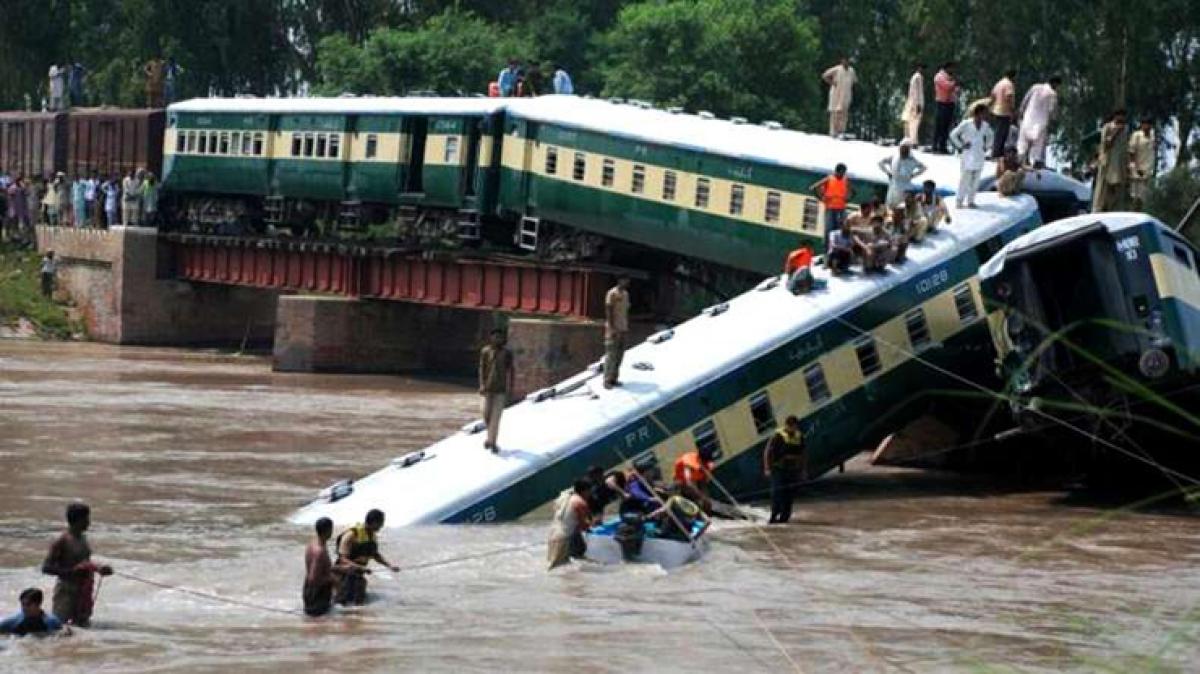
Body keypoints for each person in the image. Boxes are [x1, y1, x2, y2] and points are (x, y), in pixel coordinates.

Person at [41, 502, 113, 627]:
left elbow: (86, 563)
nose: (88, 522)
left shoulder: (83, 539)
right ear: (77, 520)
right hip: (66, 592)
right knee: (59, 628)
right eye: (86, 519)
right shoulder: (62, 541)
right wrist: (71, 572)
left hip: (83, 591)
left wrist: (100, 568)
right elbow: (46, 568)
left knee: (83, 626)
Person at [334, 509, 399, 606]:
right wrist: (360, 567)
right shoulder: (351, 535)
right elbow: (343, 559)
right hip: (343, 575)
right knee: (342, 603)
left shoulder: (372, 536)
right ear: (374, 522)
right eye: (381, 523)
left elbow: (375, 555)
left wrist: (390, 566)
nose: (382, 526)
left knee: (358, 604)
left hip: (358, 575)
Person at [304, 517, 353, 617]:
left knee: (317, 621)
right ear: (328, 530)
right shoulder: (320, 551)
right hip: (317, 594)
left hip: (310, 591)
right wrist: (333, 580)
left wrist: (341, 568)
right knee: (319, 624)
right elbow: (314, 579)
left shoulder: (312, 544)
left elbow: (323, 568)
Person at [949, 103, 994, 209]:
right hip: (967, 153)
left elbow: (991, 136)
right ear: (978, 113)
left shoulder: (985, 125)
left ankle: (971, 201)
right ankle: (959, 200)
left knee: (976, 179)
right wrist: (961, 145)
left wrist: (986, 146)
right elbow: (953, 134)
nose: (985, 116)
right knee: (965, 178)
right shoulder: (966, 124)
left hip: (979, 154)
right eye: (983, 113)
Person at [763, 416, 807, 524]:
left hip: (792, 469)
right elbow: (767, 452)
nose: (794, 429)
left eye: (796, 427)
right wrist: (767, 468)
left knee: (789, 494)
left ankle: (784, 518)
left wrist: (803, 470)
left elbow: (803, 454)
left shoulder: (799, 437)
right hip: (778, 469)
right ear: (787, 425)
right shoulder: (777, 436)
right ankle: (773, 516)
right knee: (777, 493)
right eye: (792, 427)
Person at [478, 328, 514, 453]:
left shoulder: (507, 353)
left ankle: (493, 443)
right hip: (488, 389)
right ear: (491, 338)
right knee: (486, 415)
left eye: (500, 337)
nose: (497, 339)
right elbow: (482, 369)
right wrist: (482, 385)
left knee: (496, 417)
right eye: (495, 337)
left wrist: (510, 389)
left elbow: (511, 371)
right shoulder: (485, 351)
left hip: (501, 390)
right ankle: (489, 438)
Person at [547, 479, 592, 570]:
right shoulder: (580, 503)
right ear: (585, 490)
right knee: (559, 567)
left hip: (553, 534)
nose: (590, 493)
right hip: (565, 538)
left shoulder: (565, 498)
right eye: (589, 490)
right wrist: (591, 524)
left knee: (557, 567)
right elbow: (583, 525)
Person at [1017, 76, 1061, 168]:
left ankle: (1020, 161)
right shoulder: (1052, 94)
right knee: (1037, 147)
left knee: (1022, 144)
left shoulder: (1035, 87)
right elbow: (1052, 111)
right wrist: (1054, 119)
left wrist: (1021, 112)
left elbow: (1025, 100)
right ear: (1055, 84)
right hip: (1040, 124)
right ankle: (1033, 164)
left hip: (1028, 119)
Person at [1092, 109, 1130, 213]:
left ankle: (1113, 209)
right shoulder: (1108, 127)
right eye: (1120, 116)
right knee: (1102, 188)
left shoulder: (1126, 130)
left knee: (1117, 190)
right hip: (1107, 163)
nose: (1121, 119)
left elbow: (1125, 148)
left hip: (1119, 164)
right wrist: (1116, 132)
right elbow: (1106, 144)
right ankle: (1097, 209)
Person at [878, 140, 927, 210]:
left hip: (905, 186)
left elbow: (924, 167)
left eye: (905, 148)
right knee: (890, 206)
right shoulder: (894, 157)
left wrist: (913, 175)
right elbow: (880, 163)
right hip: (894, 184)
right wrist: (888, 172)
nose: (903, 150)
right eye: (902, 148)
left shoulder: (912, 160)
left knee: (902, 207)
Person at [0, 588, 66, 636]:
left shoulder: (51, 621)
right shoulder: (14, 621)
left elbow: (64, 635)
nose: (24, 608)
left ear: (38, 604)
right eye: (23, 604)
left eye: (28, 605)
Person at [603, 276, 631, 389]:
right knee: (611, 355)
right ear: (619, 280)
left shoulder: (626, 294)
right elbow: (608, 310)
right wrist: (612, 328)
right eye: (624, 280)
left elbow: (626, 311)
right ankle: (607, 379)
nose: (626, 282)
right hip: (613, 329)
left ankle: (614, 378)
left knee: (619, 355)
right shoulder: (612, 293)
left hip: (623, 328)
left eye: (628, 281)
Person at [811, 163, 851, 240]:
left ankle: (840, 244)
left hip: (841, 208)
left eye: (844, 173)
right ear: (837, 171)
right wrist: (821, 199)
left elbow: (853, 191)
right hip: (830, 208)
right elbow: (814, 187)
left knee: (842, 227)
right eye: (842, 172)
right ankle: (827, 246)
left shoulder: (845, 180)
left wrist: (847, 199)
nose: (843, 174)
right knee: (829, 229)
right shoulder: (829, 178)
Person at [822, 57, 857, 137]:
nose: (846, 62)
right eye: (845, 61)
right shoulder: (837, 69)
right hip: (836, 94)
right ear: (842, 61)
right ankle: (833, 132)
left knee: (844, 114)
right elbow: (824, 75)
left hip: (846, 95)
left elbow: (855, 81)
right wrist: (832, 82)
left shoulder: (851, 71)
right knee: (834, 113)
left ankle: (841, 132)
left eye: (848, 61)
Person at [932, 62, 960, 154]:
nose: (953, 71)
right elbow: (947, 87)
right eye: (952, 68)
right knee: (940, 125)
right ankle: (935, 146)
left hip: (950, 103)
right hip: (942, 103)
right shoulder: (939, 76)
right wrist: (954, 83)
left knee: (946, 126)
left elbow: (955, 90)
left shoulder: (950, 78)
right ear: (947, 68)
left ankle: (942, 146)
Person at [1128, 118, 1155, 209]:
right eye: (1145, 124)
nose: (1146, 126)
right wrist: (1134, 167)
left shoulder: (1152, 136)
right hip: (1137, 171)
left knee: (1143, 198)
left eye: (1148, 124)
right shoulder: (1137, 135)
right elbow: (1131, 152)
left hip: (1147, 171)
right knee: (1135, 197)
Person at [989, 69, 1017, 159]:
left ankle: (997, 151)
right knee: (1002, 133)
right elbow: (1008, 96)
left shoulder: (999, 83)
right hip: (1004, 111)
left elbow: (992, 94)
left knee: (998, 132)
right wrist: (1012, 110)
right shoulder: (1009, 84)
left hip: (996, 110)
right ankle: (997, 153)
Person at [900, 63, 925, 144]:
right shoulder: (918, 77)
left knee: (910, 121)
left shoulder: (914, 77)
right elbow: (917, 92)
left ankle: (910, 140)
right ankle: (913, 141)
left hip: (911, 101)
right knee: (914, 122)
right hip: (915, 103)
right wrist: (918, 104)